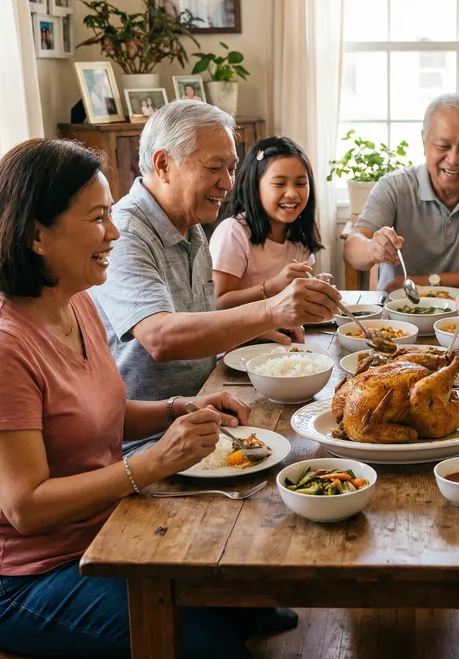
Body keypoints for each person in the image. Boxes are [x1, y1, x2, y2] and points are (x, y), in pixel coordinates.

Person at [0, 137, 274, 659]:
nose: (115, 233)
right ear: (35, 235)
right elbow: (24, 507)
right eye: (98, 218)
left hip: (102, 529)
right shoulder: (7, 347)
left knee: (246, 574)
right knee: (205, 652)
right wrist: (152, 463)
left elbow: (99, 414)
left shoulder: (74, 300)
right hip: (27, 576)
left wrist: (180, 408)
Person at [91, 101, 341, 459]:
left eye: (232, 167)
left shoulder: (191, 225)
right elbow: (160, 338)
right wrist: (270, 310)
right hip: (147, 441)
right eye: (214, 168)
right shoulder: (127, 231)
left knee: (317, 443)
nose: (228, 183)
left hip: (205, 409)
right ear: (163, 164)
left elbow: (203, 316)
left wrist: (254, 330)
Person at [343, 93, 459, 293]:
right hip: (398, 317)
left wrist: (425, 282)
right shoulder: (394, 186)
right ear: (424, 141)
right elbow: (352, 248)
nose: (454, 159)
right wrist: (372, 249)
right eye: (443, 146)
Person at [210, 136, 331, 309]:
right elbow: (217, 303)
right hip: (243, 334)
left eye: (301, 183)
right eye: (279, 184)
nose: (292, 193)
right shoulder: (234, 232)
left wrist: (314, 286)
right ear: (254, 186)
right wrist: (272, 287)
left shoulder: (299, 236)